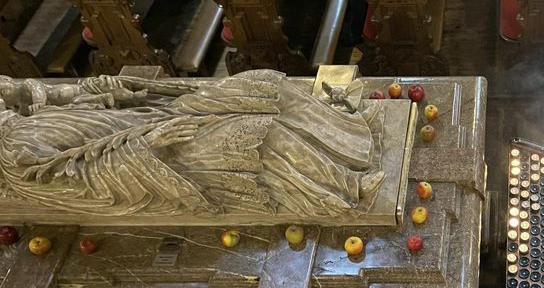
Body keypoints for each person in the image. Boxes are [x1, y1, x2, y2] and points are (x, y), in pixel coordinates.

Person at [0, 71, 385, 218]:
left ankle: (350, 134)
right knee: (261, 136)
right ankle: (348, 186)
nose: (6, 92)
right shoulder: (17, 151)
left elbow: (83, 95)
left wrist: (114, 88)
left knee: (265, 85)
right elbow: (83, 178)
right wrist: (147, 143)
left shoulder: (30, 113)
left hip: (157, 115)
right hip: (160, 157)